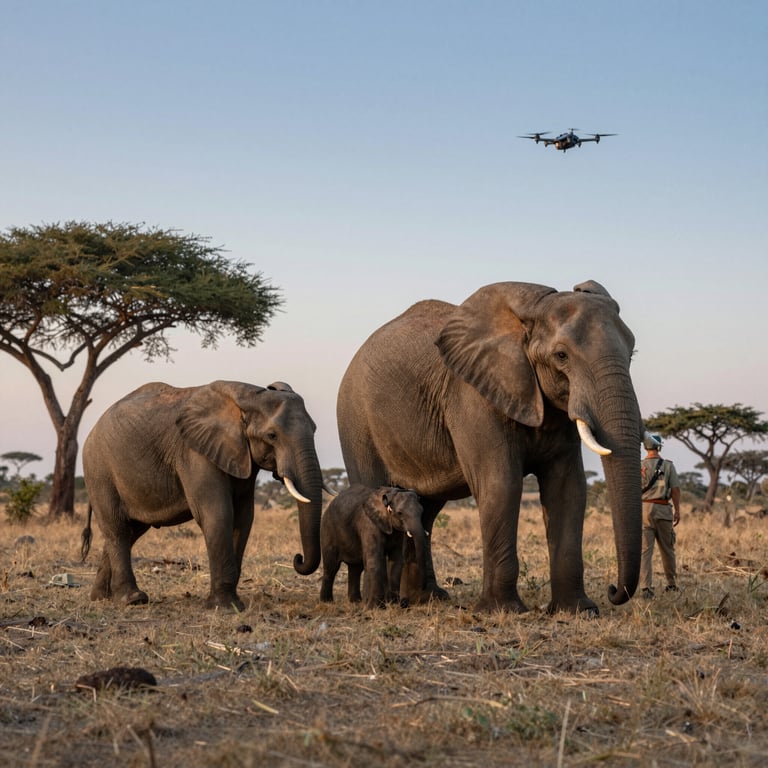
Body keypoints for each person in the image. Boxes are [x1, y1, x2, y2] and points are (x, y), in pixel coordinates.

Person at [639, 434, 681, 598]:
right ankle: (671, 584)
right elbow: (676, 490)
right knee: (667, 549)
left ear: (645, 448)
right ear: (659, 447)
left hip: (643, 511)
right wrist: (677, 510)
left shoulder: (638, 466)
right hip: (663, 510)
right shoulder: (668, 466)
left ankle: (646, 588)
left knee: (645, 551)